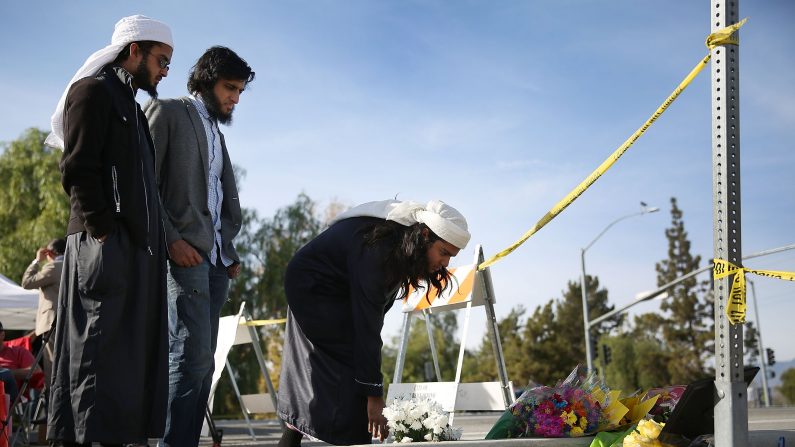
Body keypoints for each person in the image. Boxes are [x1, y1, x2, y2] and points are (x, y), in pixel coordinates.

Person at [45, 15, 173, 446]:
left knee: (124, 363)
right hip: (103, 246)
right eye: (162, 59)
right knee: (95, 355)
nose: (164, 70)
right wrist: (102, 232)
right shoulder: (93, 92)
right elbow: (78, 169)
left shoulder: (131, 106)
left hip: (133, 250)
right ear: (134, 50)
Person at [276, 199, 471, 446]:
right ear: (424, 235)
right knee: (355, 366)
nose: (445, 263)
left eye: (450, 257)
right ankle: (351, 435)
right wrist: (374, 395)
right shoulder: (381, 249)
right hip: (312, 287)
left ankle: (296, 431)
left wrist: (372, 387)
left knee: (355, 367)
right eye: (443, 253)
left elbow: (371, 316)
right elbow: (367, 325)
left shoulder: (400, 244)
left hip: (326, 287)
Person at [143, 46, 254, 447]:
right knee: (188, 358)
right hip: (183, 255)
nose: (235, 98)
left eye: (240, 91)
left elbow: (218, 197)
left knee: (204, 364)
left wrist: (227, 249)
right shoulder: (168, 112)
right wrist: (171, 240)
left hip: (216, 262)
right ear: (206, 81)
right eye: (230, 88)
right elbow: (145, 184)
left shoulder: (216, 132)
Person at [21, 238, 65, 387]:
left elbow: (27, 282)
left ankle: (53, 401)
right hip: (69, 322)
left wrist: (37, 261)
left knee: (52, 366)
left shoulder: (54, 266)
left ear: (50, 253)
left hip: (52, 323)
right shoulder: (75, 264)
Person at [0, 321, 42, 405]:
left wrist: (9, 373)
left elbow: (36, 371)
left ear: (2, 334)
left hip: (9, 403)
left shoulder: (17, 351)